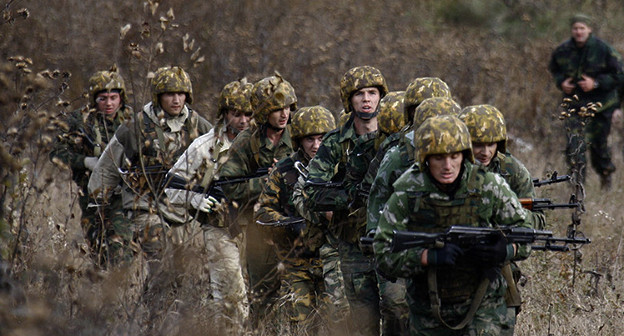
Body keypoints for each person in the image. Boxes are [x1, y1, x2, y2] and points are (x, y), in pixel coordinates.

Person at [374, 114, 533, 336]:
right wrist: (426, 257)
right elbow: (383, 254)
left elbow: (525, 232)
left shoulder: (489, 186)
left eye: (454, 156)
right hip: (427, 308)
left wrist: (505, 250)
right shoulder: (408, 192)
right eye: (439, 158)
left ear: (464, 156)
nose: (447, 166)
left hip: (482, 305)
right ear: (425, 158)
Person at [88, 65, 212, 267]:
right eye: (170, 94)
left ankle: (153, 299)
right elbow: (108, 166)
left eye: (181, 94)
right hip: (145, 206)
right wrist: (99, 205)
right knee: (160, 260)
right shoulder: (135, 126)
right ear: (158, 96)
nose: (176, 100)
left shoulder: (199, 126)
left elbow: (220, 161)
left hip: (181, 209)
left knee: (182, 272)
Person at [304, 65, 387, 335]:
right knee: (363, 318)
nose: (366, 99)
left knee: (399, 309)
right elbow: (313, 190)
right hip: (353, 243)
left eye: (372, 93)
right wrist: (351, 198)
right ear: (348, 100)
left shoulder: (394, 137)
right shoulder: (335, 143)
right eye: (359, 94)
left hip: (392, 238)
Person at [165, 78, 253, 333]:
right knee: (231, 296)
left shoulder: (264, 144)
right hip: (220, 228)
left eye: (249, 114)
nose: (244, 120)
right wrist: (196, 199)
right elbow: (172, 185)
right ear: (225, 113)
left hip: (257, 228)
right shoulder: (205, 146)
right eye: (237, 114)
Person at [217, 72, 296, 325]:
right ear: (263, 112)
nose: (283, 114)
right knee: (263, 294)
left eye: (286, 107)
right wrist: (264, 182)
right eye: (276, 109)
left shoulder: (298, 136)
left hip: (296, 221)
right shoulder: (245, 142)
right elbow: (229, 187)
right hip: (259, 226)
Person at [254, 105, 336, 333]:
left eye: (321, 138)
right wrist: (287, 224)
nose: (316, 145)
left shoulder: (339, 167)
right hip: (295, 261)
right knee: (301, 323)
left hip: (331, 259)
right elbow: (263, 211)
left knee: (336, 322)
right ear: (299, 140)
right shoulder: (284, 169)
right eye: (310, 139)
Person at [50, 65, 132, 266]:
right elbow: (56, 153)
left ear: (121, 98)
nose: (109, 103)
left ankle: (122, 288)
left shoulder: (132, 121)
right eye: (102, 98)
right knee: (98, 249)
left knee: (120, 248)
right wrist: (85, 161)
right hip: (91, 195)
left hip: (123, 195)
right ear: (94, 99)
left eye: (114, 98)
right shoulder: (81, 120)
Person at [548, 13, 624, 189]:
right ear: (571, 30)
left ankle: (606, 178)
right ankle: (577, 187)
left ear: (589, 29)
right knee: (574, 147)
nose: (578, 32)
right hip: (574, 106)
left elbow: (620, 76)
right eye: (575, 28)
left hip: (601, 106)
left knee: (599, 148)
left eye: (582, 28)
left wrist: (596, 83)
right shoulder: (562, 50)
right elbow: (555, 69)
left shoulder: (603, 50)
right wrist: (561, 82)